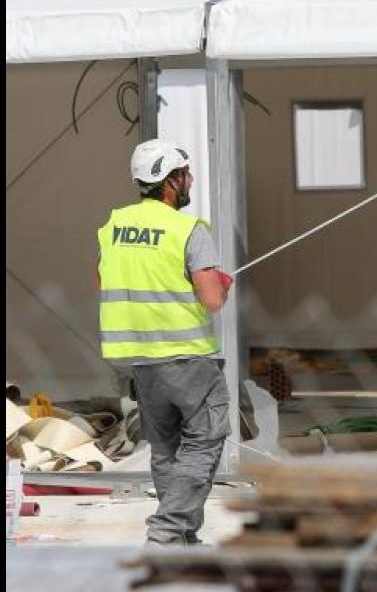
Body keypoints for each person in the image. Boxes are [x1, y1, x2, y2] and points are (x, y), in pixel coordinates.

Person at [96, 139, 233, 545]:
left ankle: (182, 538)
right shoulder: (189, 229)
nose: (190, 179)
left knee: (166, 449)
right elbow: (212, 300)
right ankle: (168, 532)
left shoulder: (113, 226)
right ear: (170, 181)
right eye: (185, 173)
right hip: (187, 356)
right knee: (204, 441)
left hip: (141, 359)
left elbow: (102, 282)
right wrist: (221, 285)